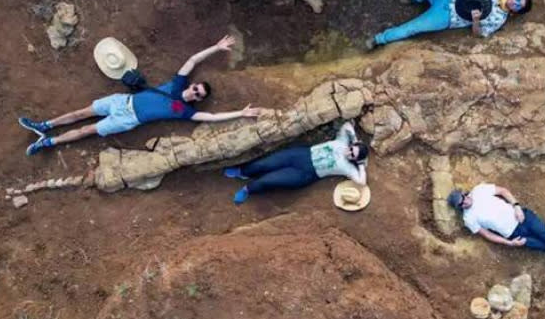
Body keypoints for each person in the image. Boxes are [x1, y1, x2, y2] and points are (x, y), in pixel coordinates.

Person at [19, 35, 259, 156]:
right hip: (122, 101)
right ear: (193, 85)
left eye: (198, 94)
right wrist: (216, 48)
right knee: (80, 113)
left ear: (197, 99)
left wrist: (242, 113)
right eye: (197, 87)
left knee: (86, 131)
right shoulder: (178, 83)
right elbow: (193, 60)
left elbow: (211, 117)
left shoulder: (185, 111)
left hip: (128, 120)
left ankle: (48, 142)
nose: (195, 91)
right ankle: (44, 125)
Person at [447, 183, 545, 286]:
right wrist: (509, 243)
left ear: (464, 194)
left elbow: (503, 191)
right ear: (459, 207)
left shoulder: (479, 190)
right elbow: (487, 234)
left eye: (463, 199)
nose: (464, 203)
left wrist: (516, 206)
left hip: (524, 218)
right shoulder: (469, 218)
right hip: (514, 235)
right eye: (460, 204)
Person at [367, 0, 533, 48]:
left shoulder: (499, 18)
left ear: (515, 12)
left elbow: (479, 34)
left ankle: (380, 39)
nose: (516, 2)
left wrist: (476, 20)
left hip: (448, 16)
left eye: (518, 6)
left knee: (411, 28)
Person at [223, 121, 369, 204]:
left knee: (269, 180)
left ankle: (248, 190)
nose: (349, 153)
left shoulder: (347, 167)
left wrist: (361, 164)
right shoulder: (342, 141)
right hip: (301, 154)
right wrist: (355, 140)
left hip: (305, 173)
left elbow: (361, 182)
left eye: (352, 156)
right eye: (351, 150)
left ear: (354, 160)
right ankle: (242, 172)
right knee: (264, 164)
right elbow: (347, 126)